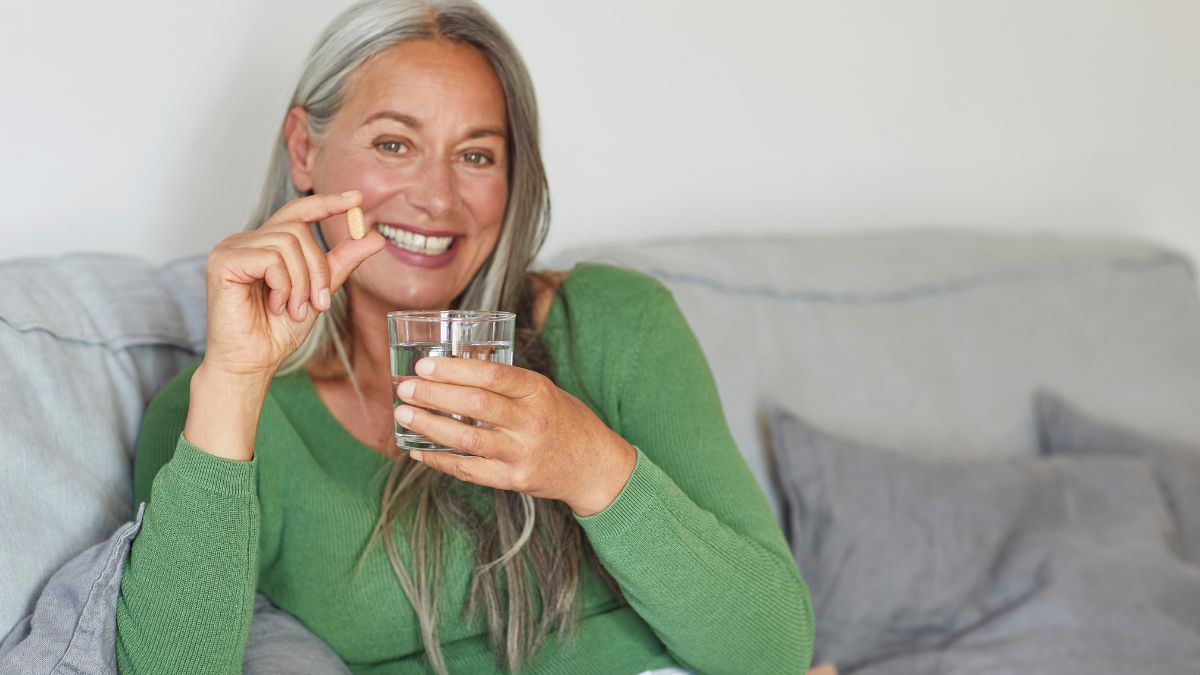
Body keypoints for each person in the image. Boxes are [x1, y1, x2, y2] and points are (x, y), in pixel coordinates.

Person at [115, 1, 817, 673]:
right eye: (395, 144)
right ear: (304, 149)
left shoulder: (611, 322)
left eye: (476, 156)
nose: (438, 198)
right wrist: (234, 381)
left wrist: (590, 466)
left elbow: (773, 651)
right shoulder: (214, 415)